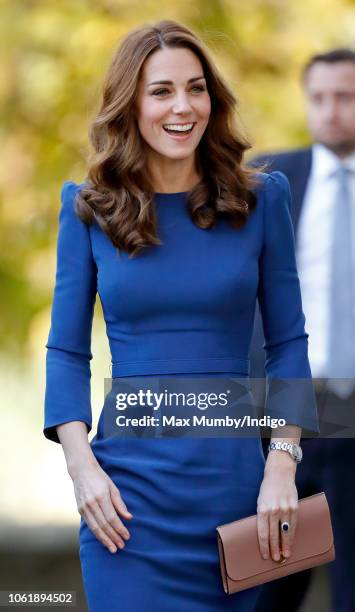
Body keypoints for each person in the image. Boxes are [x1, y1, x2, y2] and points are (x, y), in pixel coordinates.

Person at [43, 20, 318, 612]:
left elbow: (288, 342)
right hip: (126, 506)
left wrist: (282, 464)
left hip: (239, 500)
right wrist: (81, 467)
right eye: (161, 91)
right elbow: (66, 351)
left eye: (196, 88)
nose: (183, 106)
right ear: (131, 105)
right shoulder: (88, 210)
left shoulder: (262, 200)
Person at [251, 49, 355, 612]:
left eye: (346, 97)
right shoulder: (269, 181)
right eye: (319, 98)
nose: (331, 111)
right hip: (287, 419)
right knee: (268, 585)